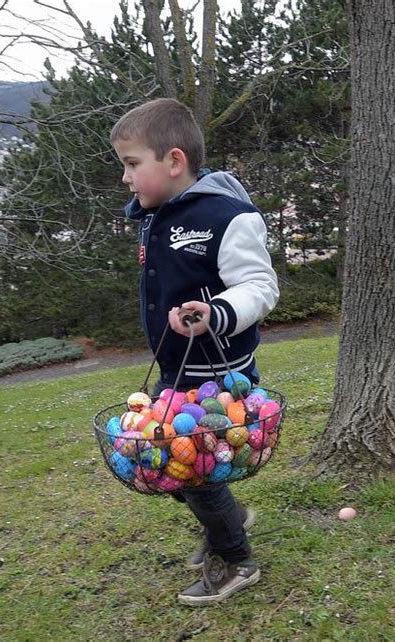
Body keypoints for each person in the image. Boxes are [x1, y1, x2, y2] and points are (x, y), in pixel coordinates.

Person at [110, 98, 279, 606]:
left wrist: (216, 313)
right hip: (174, 369)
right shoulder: (156, 216)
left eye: (132, 164)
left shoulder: (226, 216)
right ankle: (227, 515)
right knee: (165, 460)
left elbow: (259, 285)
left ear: (175, 161)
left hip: (220, 375)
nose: (126, 179)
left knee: (192, 467)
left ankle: (235, 558)